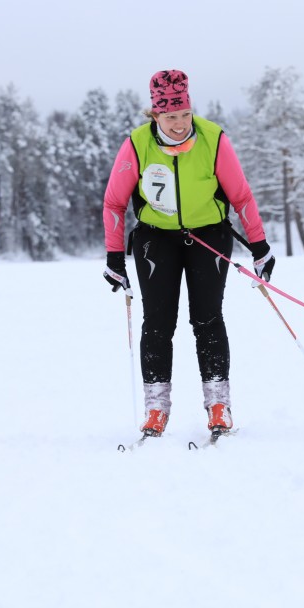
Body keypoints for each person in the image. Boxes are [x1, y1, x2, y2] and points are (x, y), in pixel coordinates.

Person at [102, 69, 275, 438]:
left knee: (208, 319)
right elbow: (114, 203)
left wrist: (259, 247)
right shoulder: (137, 144)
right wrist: (115, 257)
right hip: (155, 239)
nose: (179, 124)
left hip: (209, 236)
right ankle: (156, 409)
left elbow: (241, 196)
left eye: (184, 115)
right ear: (155, 115)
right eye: (170, 117)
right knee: (158, 323)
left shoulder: (213, 138)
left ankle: (218, 405)